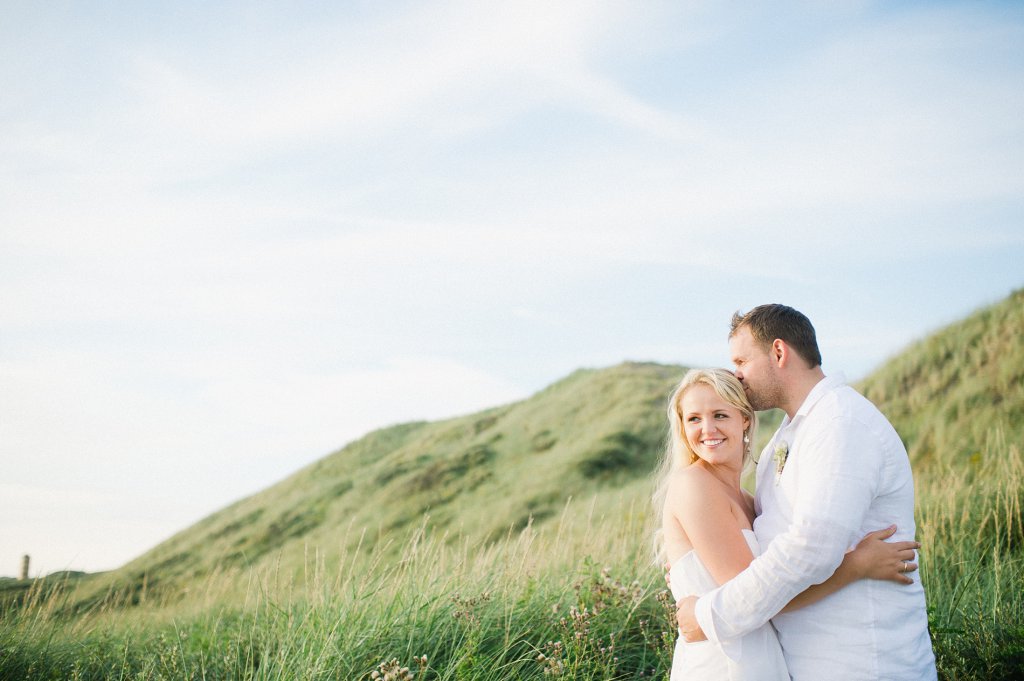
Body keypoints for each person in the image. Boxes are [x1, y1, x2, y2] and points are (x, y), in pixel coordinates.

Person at [675, 305, 937, 680]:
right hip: (804, 662)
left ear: (778, 352)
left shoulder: (841, 423)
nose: (736, 374)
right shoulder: (786, 437)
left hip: (862, 661)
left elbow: (811, 548)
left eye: (741, 360)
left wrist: (708, 614)